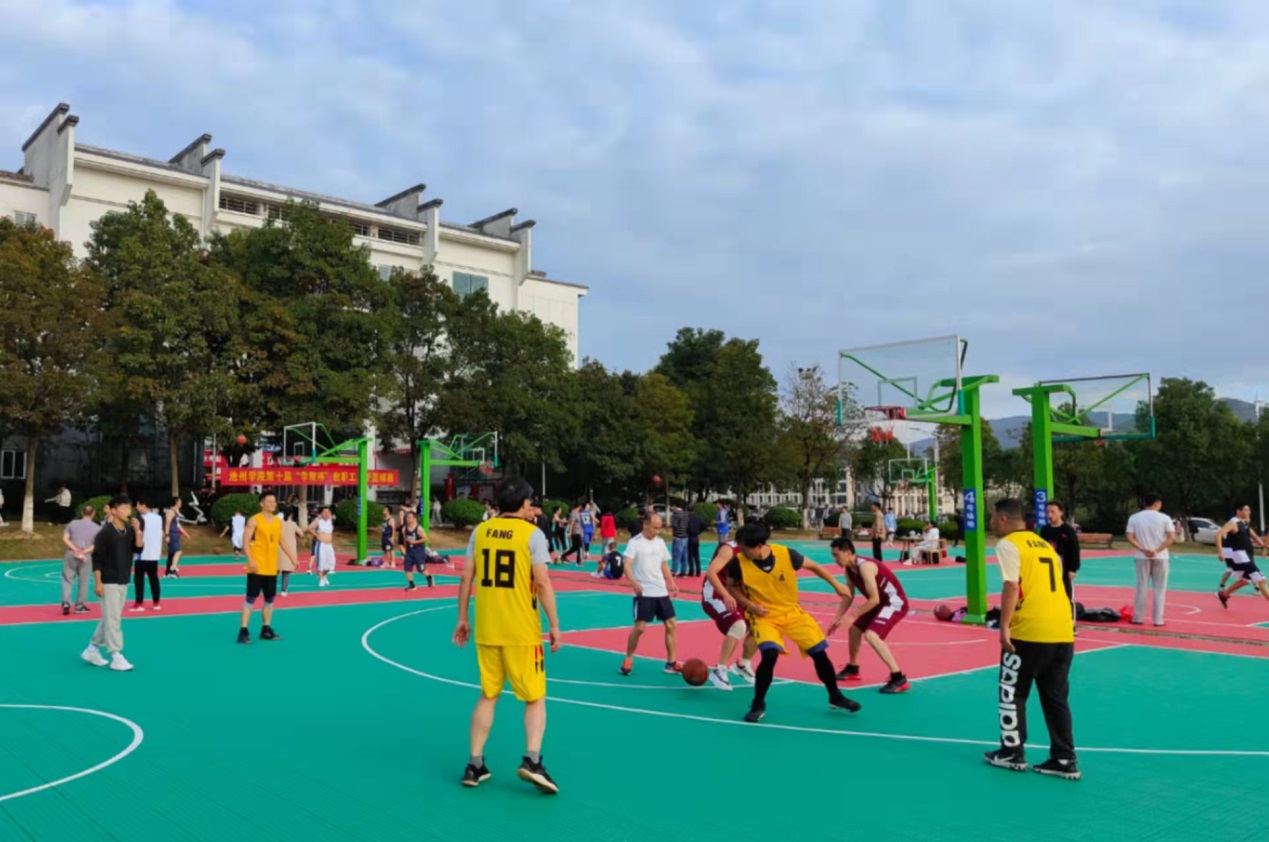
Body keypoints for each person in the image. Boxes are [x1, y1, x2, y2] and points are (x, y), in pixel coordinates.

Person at [453, 476, 561, 793]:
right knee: (535, 697)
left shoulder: (480, 531)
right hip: (521, 630)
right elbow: (542, 582)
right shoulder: (532, 535)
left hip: (488, 627)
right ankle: (532, 760)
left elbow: (465, 578)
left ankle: (474, 764)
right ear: (525, 504)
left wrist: (462, 618)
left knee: (489, 694)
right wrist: (554, 624)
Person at [711, 521, 861, 723]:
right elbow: (731, 587)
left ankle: (835, 696)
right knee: (770, 655)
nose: (742, 552)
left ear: (759, 545)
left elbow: (814, 566)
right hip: (764, 616)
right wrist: (750, 605)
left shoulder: (786, 554)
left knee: (820, 654)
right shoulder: (739, 562)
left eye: (745, 548)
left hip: (792, 613)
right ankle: (758, 704)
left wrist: (836, 585)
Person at [984, 498, 1079, 780]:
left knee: (1013, 691)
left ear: (1003, 519)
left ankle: (1012, 752)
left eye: (992, 517)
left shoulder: (1009, 544)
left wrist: (1004, 626)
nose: (991, 522)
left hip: (1029, 630)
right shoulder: (1045, 546)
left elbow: (1012, 585)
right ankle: (1064, 758)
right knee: (1056, 697)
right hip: (1062, 630)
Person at [825, 537, 910, 693]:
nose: (835, 559)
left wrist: (852, 616)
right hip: (880, 603)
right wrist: (838, 618)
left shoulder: (866, 567)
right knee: (854, 630)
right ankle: (853, 669)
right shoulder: (849, 570)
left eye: (837, 555)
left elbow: (874, 599)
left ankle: (898, 678)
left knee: (871, 635)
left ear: (848, 552)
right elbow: (848, 596)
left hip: (894, 603)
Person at [81, 496, 143, 671]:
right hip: (108, 581)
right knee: (113, 620)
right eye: (124, 508)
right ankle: (116, 655)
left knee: (110, 618)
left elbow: (138, 549)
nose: (128, 512)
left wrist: (138, 532)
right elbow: (97, 559)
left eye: (129, 508)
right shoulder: (105, 533)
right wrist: (98, 583)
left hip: (123, 579)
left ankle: (92, 649)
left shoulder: (129, 531)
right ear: (113, 511)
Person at [619, 511, 681, 676]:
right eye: (655, 527)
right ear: (645, 524)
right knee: (640, 628)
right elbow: (627, 566)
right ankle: (628, 658)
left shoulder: (660, 542)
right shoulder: (635, 543)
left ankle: (671, 663)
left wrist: (672, 582)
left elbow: (664, 564)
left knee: (671, 624)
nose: (657, 531)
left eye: (659, 527)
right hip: (644, 592)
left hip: (660, 591)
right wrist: (634, 583)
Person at [238, 491, 294, 644]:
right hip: (256, 567)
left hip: (271, 567)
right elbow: (245, 542)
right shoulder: (254, 520)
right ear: (261, 503)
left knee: (269, 600)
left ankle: (266, 629)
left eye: (274, 501)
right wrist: (251, 560)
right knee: (250, 599)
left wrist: (293, 558)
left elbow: (282, 541)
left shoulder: (277, 522)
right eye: (269, 501)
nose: (273, 504)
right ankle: (243, 631)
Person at [701, 540, 758, 690]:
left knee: (760, 624)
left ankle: (743, 664)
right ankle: (720, 670)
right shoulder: (729, 550)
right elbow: (711, 573)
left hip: (736, 595)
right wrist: (726, 595)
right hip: (715, 595)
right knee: (738, 626)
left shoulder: (757, 551)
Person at [1125, 494, 1175, 627]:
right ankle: (1158, 619)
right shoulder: (1165, 518)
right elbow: (1171, 537)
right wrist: (1158, 550)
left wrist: (1142, 549)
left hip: (1142, 556)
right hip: (1161, 556)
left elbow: (1130, 537)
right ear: (1157, 503)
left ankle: (1138, 617)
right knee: (1160, 589)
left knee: (1141, 587)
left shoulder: (1134, 518)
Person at [1039, 500, 1080, 631]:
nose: (1050, 515)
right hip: (1048, 571)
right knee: (1048, 597)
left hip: (1064, 570)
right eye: (1048, 512)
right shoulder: (1045, 530)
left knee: (1067, 597)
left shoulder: (1068, 531)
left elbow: (1074, 550)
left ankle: (1071, 625)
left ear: (1060, 512)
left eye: (1053, 512)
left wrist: (1073, 569)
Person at [1217, 504, 1269, 606]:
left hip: (1246, 555)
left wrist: (1264, 545)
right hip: (1240, 555)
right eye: (1246, 510)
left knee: (1245, 580)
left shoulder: (1245, 523)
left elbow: (1254, 537)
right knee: (1261, 580)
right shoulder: (1233, 523)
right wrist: (1220, 552)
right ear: (1238, 511)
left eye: (1249, 510)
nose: (1248, 512)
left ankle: (1224, 595)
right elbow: (1218, 535)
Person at [62, 505, 101, 615]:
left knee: (67, 579)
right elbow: (95, 545)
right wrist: (84, 551)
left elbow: (65, 538)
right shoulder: (97, 528)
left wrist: (74, 548)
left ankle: (66, 602)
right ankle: (79, 606)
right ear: (93, 514)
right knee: (84, 581)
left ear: (82, 513)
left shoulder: (73, 523)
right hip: (86, 555)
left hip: (72, 553)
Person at [131, 501, 163, 612]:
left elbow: (137, 533)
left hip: (142, 553)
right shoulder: (159, 518)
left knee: (139, 580)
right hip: (154, 553)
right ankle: (156, 603)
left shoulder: (140, 518)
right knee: (154, 578)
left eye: (138, 505)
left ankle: (139, 603)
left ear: (143, 505)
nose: (136, 507)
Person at [400, 510, 434, 590]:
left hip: (418, 552)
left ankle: (429, 577)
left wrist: (414, 542)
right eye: (407, 517)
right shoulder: (404, 529)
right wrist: (405, 550)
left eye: (409, 517)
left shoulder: (419, 529)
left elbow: (425, 538)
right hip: (409, 552)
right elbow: (405, 540)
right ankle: (412, 584)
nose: (407, 519)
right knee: (407, 568)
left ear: (414, 518)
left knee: (421, 570)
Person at [308, 505, 336, 587]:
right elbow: (309, 528)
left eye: (328, 512)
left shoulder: (330, 520)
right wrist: (316, 535)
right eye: (325, 512)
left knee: (331, 562)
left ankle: (323, 575)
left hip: (329, 544)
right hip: (321, 544)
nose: (327, 514)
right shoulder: (318, 520)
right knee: (321, 562)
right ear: (321, 513)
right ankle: (320, 579)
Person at [278, 507, 304, 597]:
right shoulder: (293, 524)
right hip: (290, 548)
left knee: (275, 569)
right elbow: (301, 533)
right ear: (291, 515)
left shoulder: (279, 523)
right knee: (286, 571)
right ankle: (284, 589)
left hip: (279, 548)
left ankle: (269, 588)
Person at [163, 498, 190, 578]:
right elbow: (167, 524)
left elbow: (178, 525)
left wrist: (185, 534)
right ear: (176, 503)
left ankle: (168, 572)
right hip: (171, 533)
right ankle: (172, 569)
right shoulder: (170, 512)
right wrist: (167, 535)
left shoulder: (176, 512)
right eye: (180, 502)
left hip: (175, 533)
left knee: (171, 554)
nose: (181, 503)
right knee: (178, 551)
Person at [670, 504, 690, 575]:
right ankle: (683, 571)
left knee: (676, 555)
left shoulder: (676, 514)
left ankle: (674, 570)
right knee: (684, 555)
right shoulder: (686, 514)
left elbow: (674, 525)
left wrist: (674, 533)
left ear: (675, 506)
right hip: (685, 536)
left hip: (678, 536)